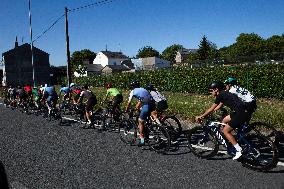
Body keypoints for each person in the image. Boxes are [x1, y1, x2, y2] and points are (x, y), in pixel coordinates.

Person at [195, 81, 252, 160]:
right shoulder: (225, 94)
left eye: (211, 91)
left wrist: (201, 116)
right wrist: (210, 112)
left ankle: (239, 150)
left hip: (241, 113)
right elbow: (217, 107)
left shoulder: (220, 95)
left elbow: (212, 108)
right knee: (225, 120)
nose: (210, 92)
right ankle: (233, 138)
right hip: (243, 111)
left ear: (216, 89)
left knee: (226, 130)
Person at [125, 80, 155, 146]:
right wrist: (137, 108)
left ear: (132, 86)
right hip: (153, 104)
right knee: (147, 119)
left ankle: (142, 140)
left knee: (140, 121)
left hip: (146, 105)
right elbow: (141, 100)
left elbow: (129, 103)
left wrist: (126, 110)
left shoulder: (133, 91)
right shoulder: (143, 89)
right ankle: (148, 131)